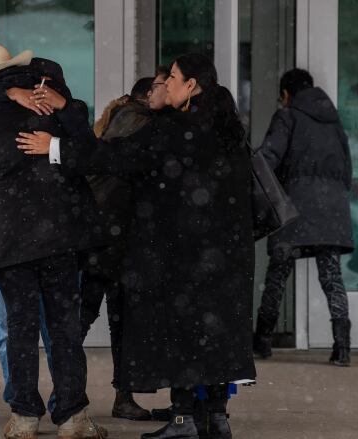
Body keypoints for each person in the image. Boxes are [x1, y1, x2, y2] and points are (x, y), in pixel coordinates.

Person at [17, 53, 256, 439]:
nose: (165, 84)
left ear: (191, 85)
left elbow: (114, 155)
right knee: (213, 335)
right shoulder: (228, 131)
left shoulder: (173, 130)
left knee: (183, 331)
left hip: (181, 253)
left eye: (172, 78)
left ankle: (183, 421)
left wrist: (55, 147)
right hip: (226, 254)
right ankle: (216, 417)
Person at [0, 45, 108, 439]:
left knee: (20, 328)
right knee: (64, 329)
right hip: (60, 236)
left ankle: (25, 416)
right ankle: (73, 416)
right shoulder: (63, 109)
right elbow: (91, 154)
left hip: (10, 239)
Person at [252, 68, 354, 367]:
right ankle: (342, 346)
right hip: (331, 208)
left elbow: (269, 157)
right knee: (331, 276)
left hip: (294, 207)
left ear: (287, 93)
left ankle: (262, 340)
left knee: (278, 275)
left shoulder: (287, 117)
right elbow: (347, 169)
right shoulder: (334, 122)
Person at [80, 77, 158, 422]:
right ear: (146, 96)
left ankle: (68, 398)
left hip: (105, 234)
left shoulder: (119, 117)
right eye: (159, 86)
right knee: (113, 319)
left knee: (92, 317)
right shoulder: (139, 120)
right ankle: (109, 397)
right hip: (115, 236)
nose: (164, 91)